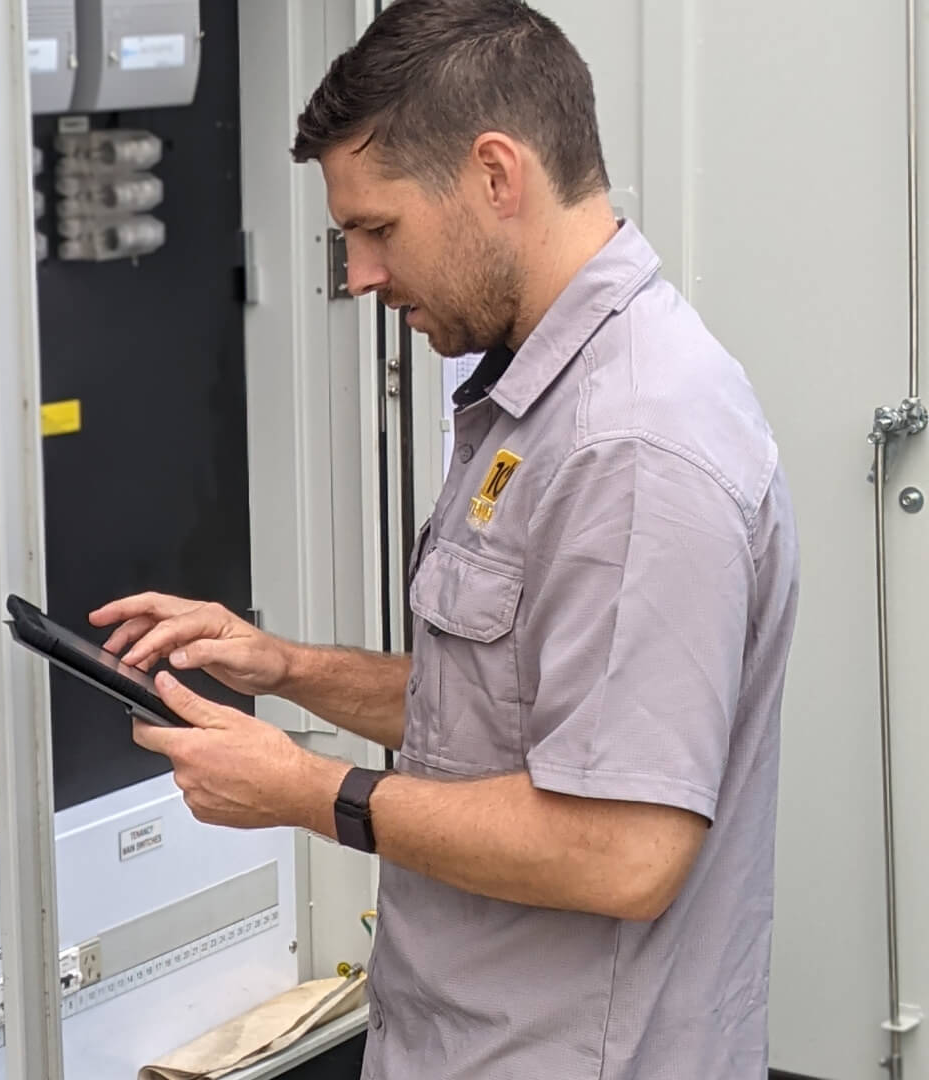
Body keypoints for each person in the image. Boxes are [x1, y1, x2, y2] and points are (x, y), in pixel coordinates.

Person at [89, 2, 798, 1077]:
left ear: (496, 177)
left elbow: (624, 851)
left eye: (378, 228)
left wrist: (304, 792)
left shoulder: (636, 445)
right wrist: (283, 668)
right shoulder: (535, 404)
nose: (362, 275)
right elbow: (515, 717)